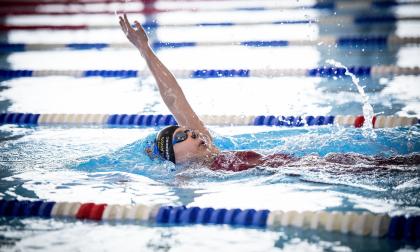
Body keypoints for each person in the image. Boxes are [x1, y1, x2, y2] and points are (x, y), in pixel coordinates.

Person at [118, 14, 419, 172]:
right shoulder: (190, 175)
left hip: (302, 162)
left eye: (187, 131)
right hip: (302, 171)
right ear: (174, 160)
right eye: (182, 138)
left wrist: (146, 50)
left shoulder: (212, 148)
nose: (192, 134)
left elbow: (174, 97)